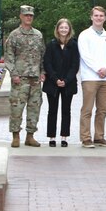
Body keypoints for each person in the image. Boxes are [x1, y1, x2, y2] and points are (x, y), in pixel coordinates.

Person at [3, 5, 45, 148]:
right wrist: (14, 73)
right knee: (16, 108)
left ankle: (30, 136)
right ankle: (15, 136)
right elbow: (9, 57)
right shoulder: (14, 35)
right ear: (20, 16)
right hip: (20, 79)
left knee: (34, 108)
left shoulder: (38, 35)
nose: (28, 17)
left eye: (31, 15)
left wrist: (43, 72)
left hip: (35, 78)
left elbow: (42, 55)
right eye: (26, 15)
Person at [77, 5, 106, 148]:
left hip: (105, 79)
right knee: (87, 109)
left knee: (102, 110)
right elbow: (85, 55)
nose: (98, 18)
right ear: (91, 17)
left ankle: (99, 137)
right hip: (90, 78)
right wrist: (98, 68)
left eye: (101, 16)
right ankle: (86, 137)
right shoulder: (84, 35)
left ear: (105, 18)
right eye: (96, 15)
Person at [42, 18, 79, 147]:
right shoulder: (51, 44)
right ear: (57, 29)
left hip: (68, 83)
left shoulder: (74, 44)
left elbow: (75, 65)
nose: (63, 30)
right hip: (53, 83)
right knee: (52, 110)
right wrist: (55, 79)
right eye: (61, 27)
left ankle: (64, 137)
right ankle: (52, 137)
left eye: (66, 27)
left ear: (69, 29)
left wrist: (66, 80)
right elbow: (47, 63)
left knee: (66, 110)